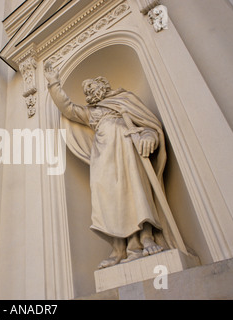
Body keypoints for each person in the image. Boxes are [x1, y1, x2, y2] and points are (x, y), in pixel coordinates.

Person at [44, 61, 174, 269]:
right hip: (103, 161)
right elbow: (68, 109)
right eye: (86, 90)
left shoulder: (125, 102)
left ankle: (146, 237)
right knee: (109, 199)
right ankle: (121, 248)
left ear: (102, 85)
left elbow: (149, 125)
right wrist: (53, 85)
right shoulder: (90, 113)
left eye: (91, 87)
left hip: (129, 155)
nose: (88, 91)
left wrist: (149, 137)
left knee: (135, 191)